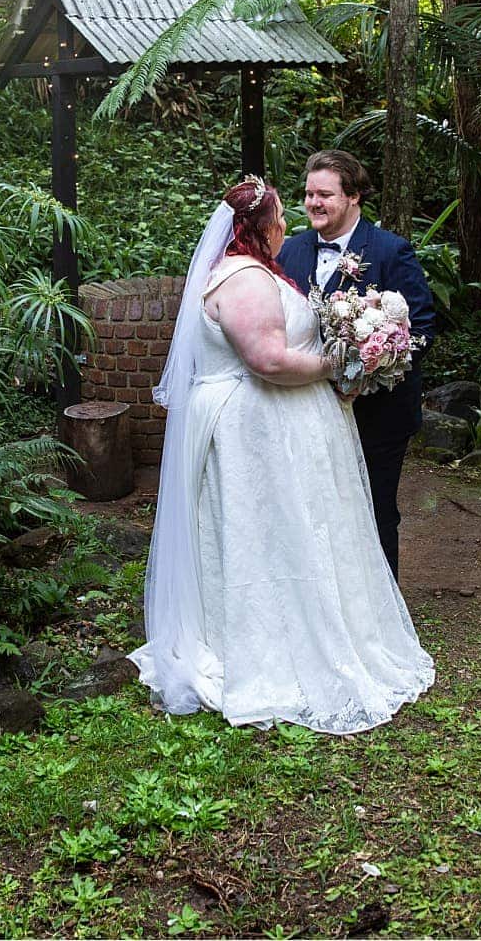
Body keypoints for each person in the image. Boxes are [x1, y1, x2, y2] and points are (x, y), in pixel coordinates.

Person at [129, 177, 434, 734]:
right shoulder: (245, 278)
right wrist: (334, 364)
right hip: (252, 434)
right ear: (257, 226)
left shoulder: (262, 268)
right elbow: (267, 360)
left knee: (296, 530)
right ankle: (272, 646)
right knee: (260, 534)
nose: (288, 224)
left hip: (279, 430)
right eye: (278, 216)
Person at [276, 149, 436, 579]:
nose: (313, 203)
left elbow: (421, 328)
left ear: (353, 198)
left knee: (374, 507)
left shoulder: (390, 252)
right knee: (316, 509)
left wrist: (369, 371)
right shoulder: (290, 251)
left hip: (377, 414)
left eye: (324, 194)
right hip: (307, 410)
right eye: (309, 194)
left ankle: (383, 611)